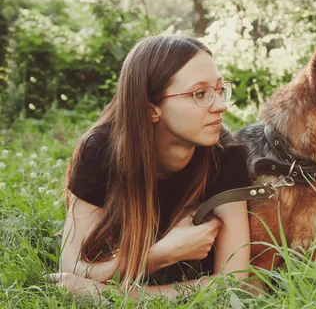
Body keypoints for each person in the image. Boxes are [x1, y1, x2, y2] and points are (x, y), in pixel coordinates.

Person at [48, 35, 251, 300]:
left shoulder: (226, 156)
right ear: (151, 109)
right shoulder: (100, 151)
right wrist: (159, 256)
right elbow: (73, 266)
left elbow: (230, 282)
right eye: (200, 94)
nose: (221, 106)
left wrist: (119, 297)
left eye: (219, 89)